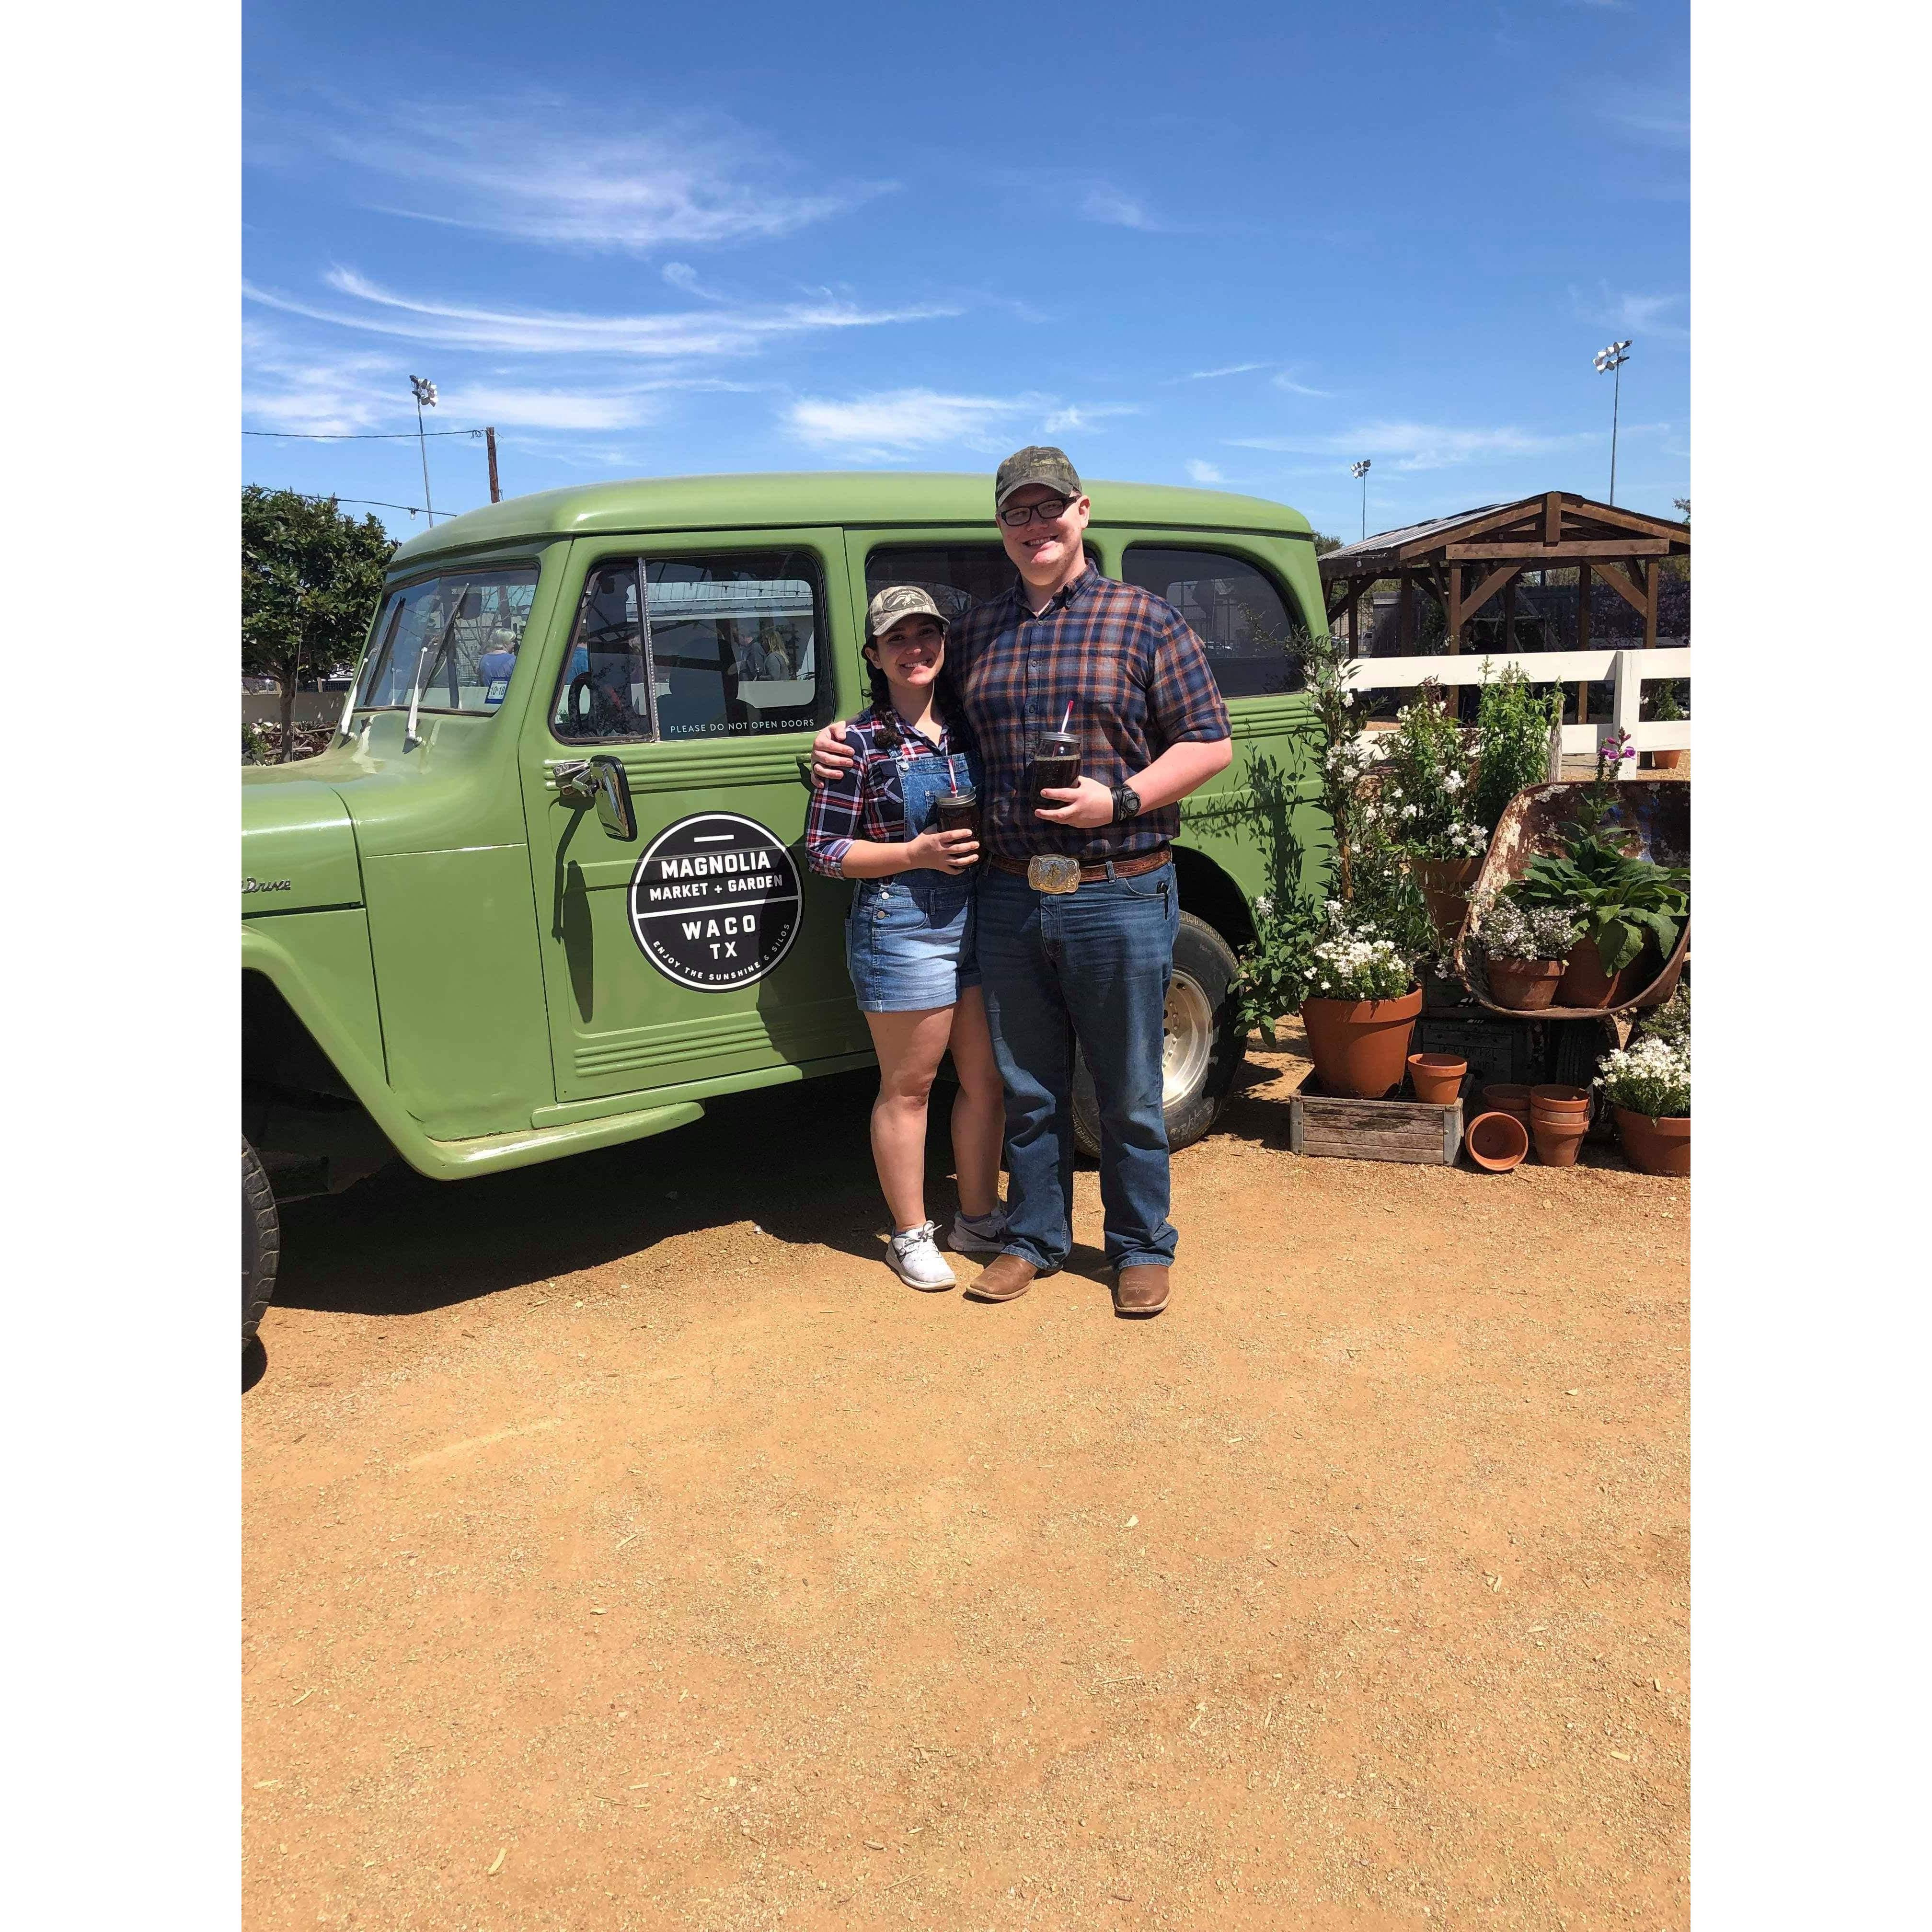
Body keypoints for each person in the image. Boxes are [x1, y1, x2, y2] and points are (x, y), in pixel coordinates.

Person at [814, 449, 1232, 1316]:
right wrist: (828, 742)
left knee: (1125, 1083)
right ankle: (1034, 1238)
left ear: (1082, 512)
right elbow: (912, 706)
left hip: (1118, 883)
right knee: (1025, 1085)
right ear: (1001, 528)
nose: (1036, 527)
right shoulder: (977, 633)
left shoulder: (1145, 621)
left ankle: (1140, 1246)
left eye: (1051, 510)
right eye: (1018, 514)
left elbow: (1208, 744)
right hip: (1007, 890)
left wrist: (1115, 798)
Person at [804, 586, 1009, 1291]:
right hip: (903, 925)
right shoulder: (856, 743)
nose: (915, 649)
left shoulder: (973, 727)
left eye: (927, 635)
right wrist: (914, 855)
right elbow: (826, 851)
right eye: (897, 639)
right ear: (874, 655)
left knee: (985, 1080)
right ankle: (910, 1234)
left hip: (983, 916)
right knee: (910, 1087)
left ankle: (979, 1218)